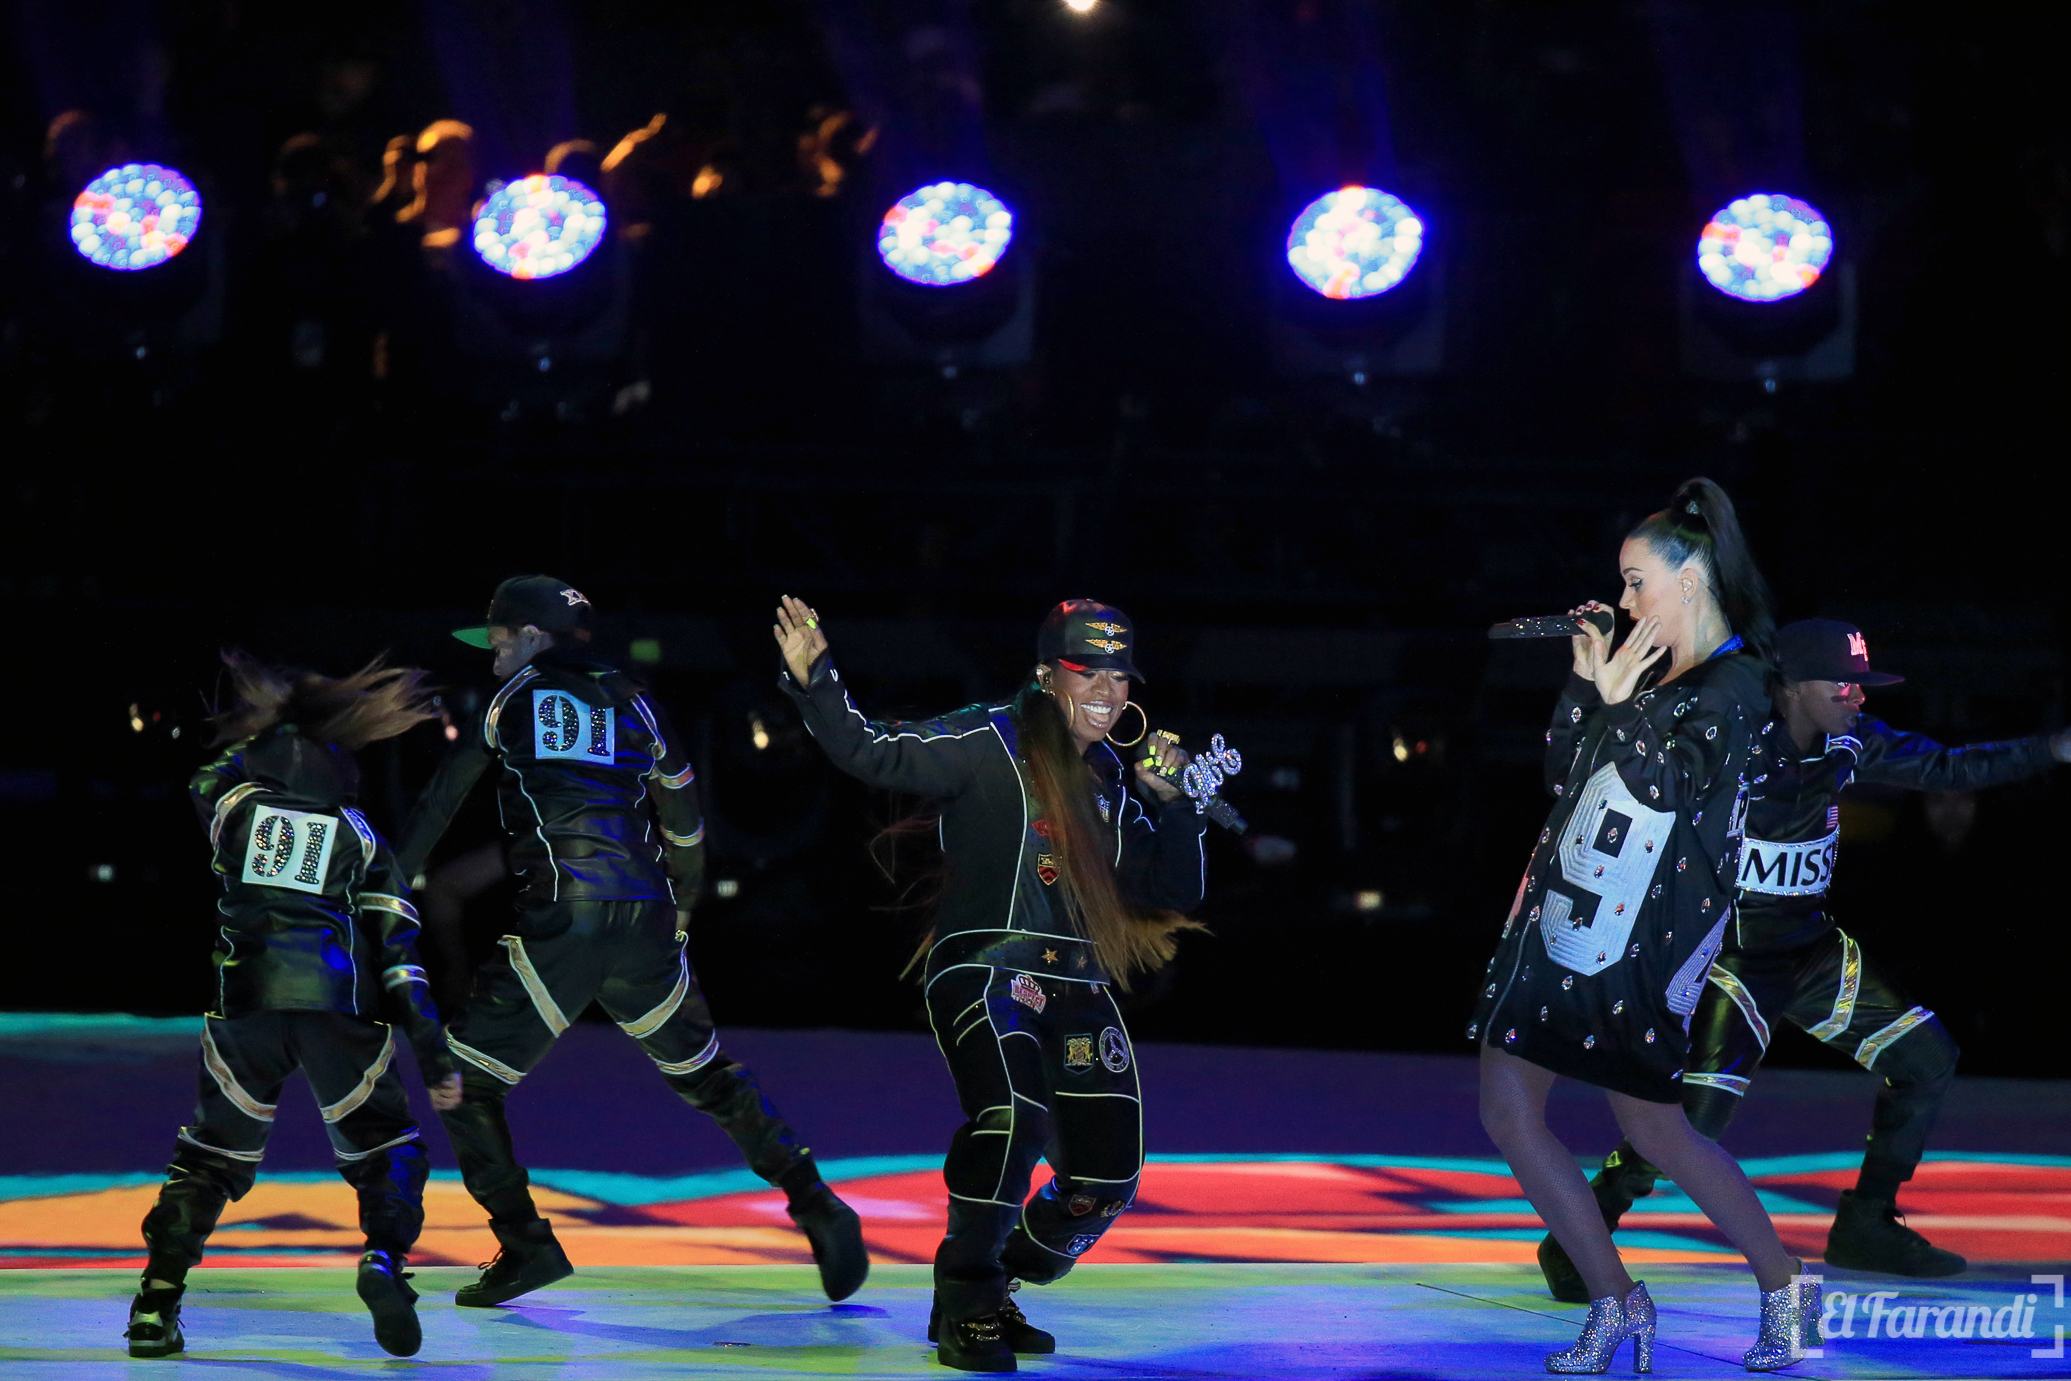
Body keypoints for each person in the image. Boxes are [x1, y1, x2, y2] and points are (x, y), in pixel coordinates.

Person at [1539, 618, 2071, 1299]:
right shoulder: (1725, 743)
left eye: (1861, 684)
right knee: (1693, 1124)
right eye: (1843, 685)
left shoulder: (1850, 741)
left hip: (1810, 950)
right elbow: (1615, 786)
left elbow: (1948, 768)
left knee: (1926, 1058)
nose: (1858, 696)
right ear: (1790, 686)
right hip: (1730, 959)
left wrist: (2053, 747)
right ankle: (1579, 1231)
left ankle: (1866, 1223)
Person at [398, 575, 866, 1308]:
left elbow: (437, 804)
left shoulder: (510, 699)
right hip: (646, 913)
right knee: (706, 1076)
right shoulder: (634, 700)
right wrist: (680, 909)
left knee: (463, 1081)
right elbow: (685, 823)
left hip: (567, 917)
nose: (492, 656)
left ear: (532, 638)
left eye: (499, 641)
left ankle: (525, 1244)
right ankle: (817, 1202)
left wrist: (384, 890)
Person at [775, 594, 1208, 1373]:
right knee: (1012, 1119)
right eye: (1086, 671)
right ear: (1045, 675)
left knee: (1107, 1177)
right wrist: (817, 679)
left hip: (1078, 988)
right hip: (987, 970)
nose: (1106, 691)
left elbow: (1173, 890)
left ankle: (995, 1279)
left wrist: (1177, 808)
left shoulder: (1111, 777)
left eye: (1118, 676)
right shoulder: (985, 738)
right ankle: (965, 1300)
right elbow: (872, 750)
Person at [1467, 478, 1818, 1373]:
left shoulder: (1737, 684)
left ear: (1688, 581)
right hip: (1571, 912)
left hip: (1646, 934)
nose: (1623, 602)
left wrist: (1621, 704)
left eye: (1635, 582)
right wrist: (1587, 686)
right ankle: (1615, 1297)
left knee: (1657, 1128)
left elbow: (1670, 789)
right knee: (1509, 1105)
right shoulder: (1653, 673)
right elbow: (1566, 774)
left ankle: (1782, 1283)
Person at [128, 652, 460, 1361]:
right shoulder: (360, 836)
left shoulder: (234, 812)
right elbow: (402, 961)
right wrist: (434, 1055)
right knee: (388, 1148)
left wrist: (268, 730)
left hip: (246, 1003)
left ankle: (156, 1302)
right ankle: (383, 1259)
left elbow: (205, 776)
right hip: (338, 1004)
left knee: (209, 1158)